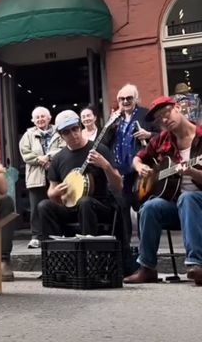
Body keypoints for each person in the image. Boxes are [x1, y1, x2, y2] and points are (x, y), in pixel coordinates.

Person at [124, 96, 202, 285]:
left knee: (188, 198)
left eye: (166, 113)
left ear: (177, 108)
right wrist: (139, 167)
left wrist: (191, 171)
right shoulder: (162, 139)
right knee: (150, 206)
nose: (165, 120)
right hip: (177, 206)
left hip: (197, 203)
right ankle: (147, 268)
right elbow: (138, 157)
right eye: (160, 118)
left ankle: (196, 265)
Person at [37, 110, 123, 238]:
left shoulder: (99, 149)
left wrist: (105, 166)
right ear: (61, 136)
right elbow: (51, 191)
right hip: (70, 207)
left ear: (80, 127)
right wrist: (55, 192)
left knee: (85, 202)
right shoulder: (58, 158)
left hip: (98, 206)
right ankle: (57, 251)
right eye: (66, 132)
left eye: (75, 128)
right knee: (44, 206)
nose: (73, 134)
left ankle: (89, 252)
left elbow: (118, 185)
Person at [105, 83, 159, 238]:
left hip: (140, 168)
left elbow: (162, 135)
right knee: (122, 207)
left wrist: (148, 135)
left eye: (129, 98)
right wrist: (110, 123)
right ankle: (125, 245)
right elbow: (104, 141)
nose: (125, 102)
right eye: (121, 99)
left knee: (142, 205)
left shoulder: (145, 114)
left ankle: (145, 243)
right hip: (121, 169)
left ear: (136, 99)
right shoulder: (116, 118)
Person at [19, 106, 64, 248]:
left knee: (58, 203)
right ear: (33, 120)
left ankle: (58, 233)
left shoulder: (59, 131)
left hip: (56, 174)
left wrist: (49, 157)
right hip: (36, 176)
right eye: (37, 117)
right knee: (36, 207)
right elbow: (25, 154)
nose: (40, 119)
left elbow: (64, 148)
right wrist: (40, 160)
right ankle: (37, 236)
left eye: (43, 116)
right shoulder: (28, 135)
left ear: (49, 118)